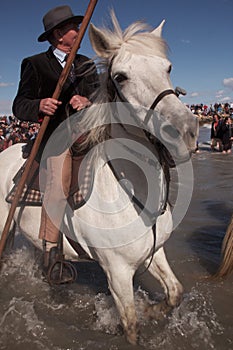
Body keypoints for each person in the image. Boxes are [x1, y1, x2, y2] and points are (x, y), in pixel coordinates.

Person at [12, 5, 99, 282]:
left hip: (88, 134)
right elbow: (19, 105)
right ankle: (52, 254)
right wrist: (40, 104)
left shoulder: (86, 63)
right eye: (75, 27)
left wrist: (88, 102)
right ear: (59, 34)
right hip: (56, 139)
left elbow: (101, 97)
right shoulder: (35, 63)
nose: (80, 31)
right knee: (58, 182)